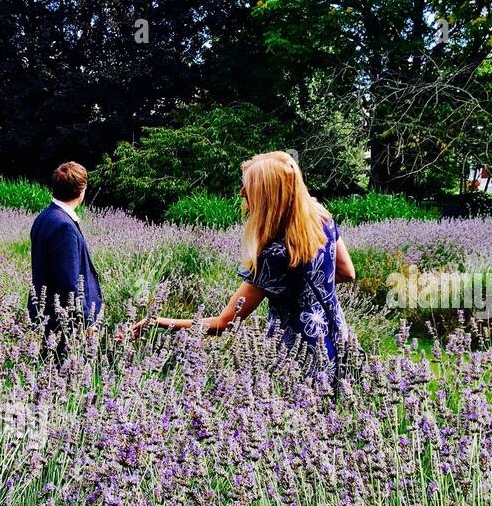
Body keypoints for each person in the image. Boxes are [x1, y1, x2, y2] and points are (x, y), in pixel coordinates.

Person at [132, 151, 356, 371]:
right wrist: (302, 288)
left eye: (249, 187)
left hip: (297, 362)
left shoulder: (273, 256)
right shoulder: (322, 219)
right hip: (337, 340)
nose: (242, 193)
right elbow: (347, 272)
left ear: (268, 196)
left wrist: (157, 322)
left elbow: (223, 324)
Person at [29, 161, 103, 360]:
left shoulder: (44, 217)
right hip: (62, 321)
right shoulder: (64, 226)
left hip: (48, 315)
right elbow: (69, 282)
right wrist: (87, 322)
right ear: (82, 191)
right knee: (64, 377)